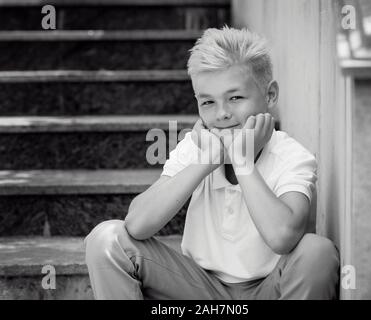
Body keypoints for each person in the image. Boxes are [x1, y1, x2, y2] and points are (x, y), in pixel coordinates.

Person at [85, 26, 339, 300]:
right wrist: (206, 161)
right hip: (197, 291)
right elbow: (137, 225)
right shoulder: (197, 148)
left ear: (270, 95)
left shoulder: (291, 156)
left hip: (269, 290)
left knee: (317, 251)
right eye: (207, 102)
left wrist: (242, 162)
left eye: (235, 98)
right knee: (106, 239)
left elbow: (283, 237)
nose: (222, 114)